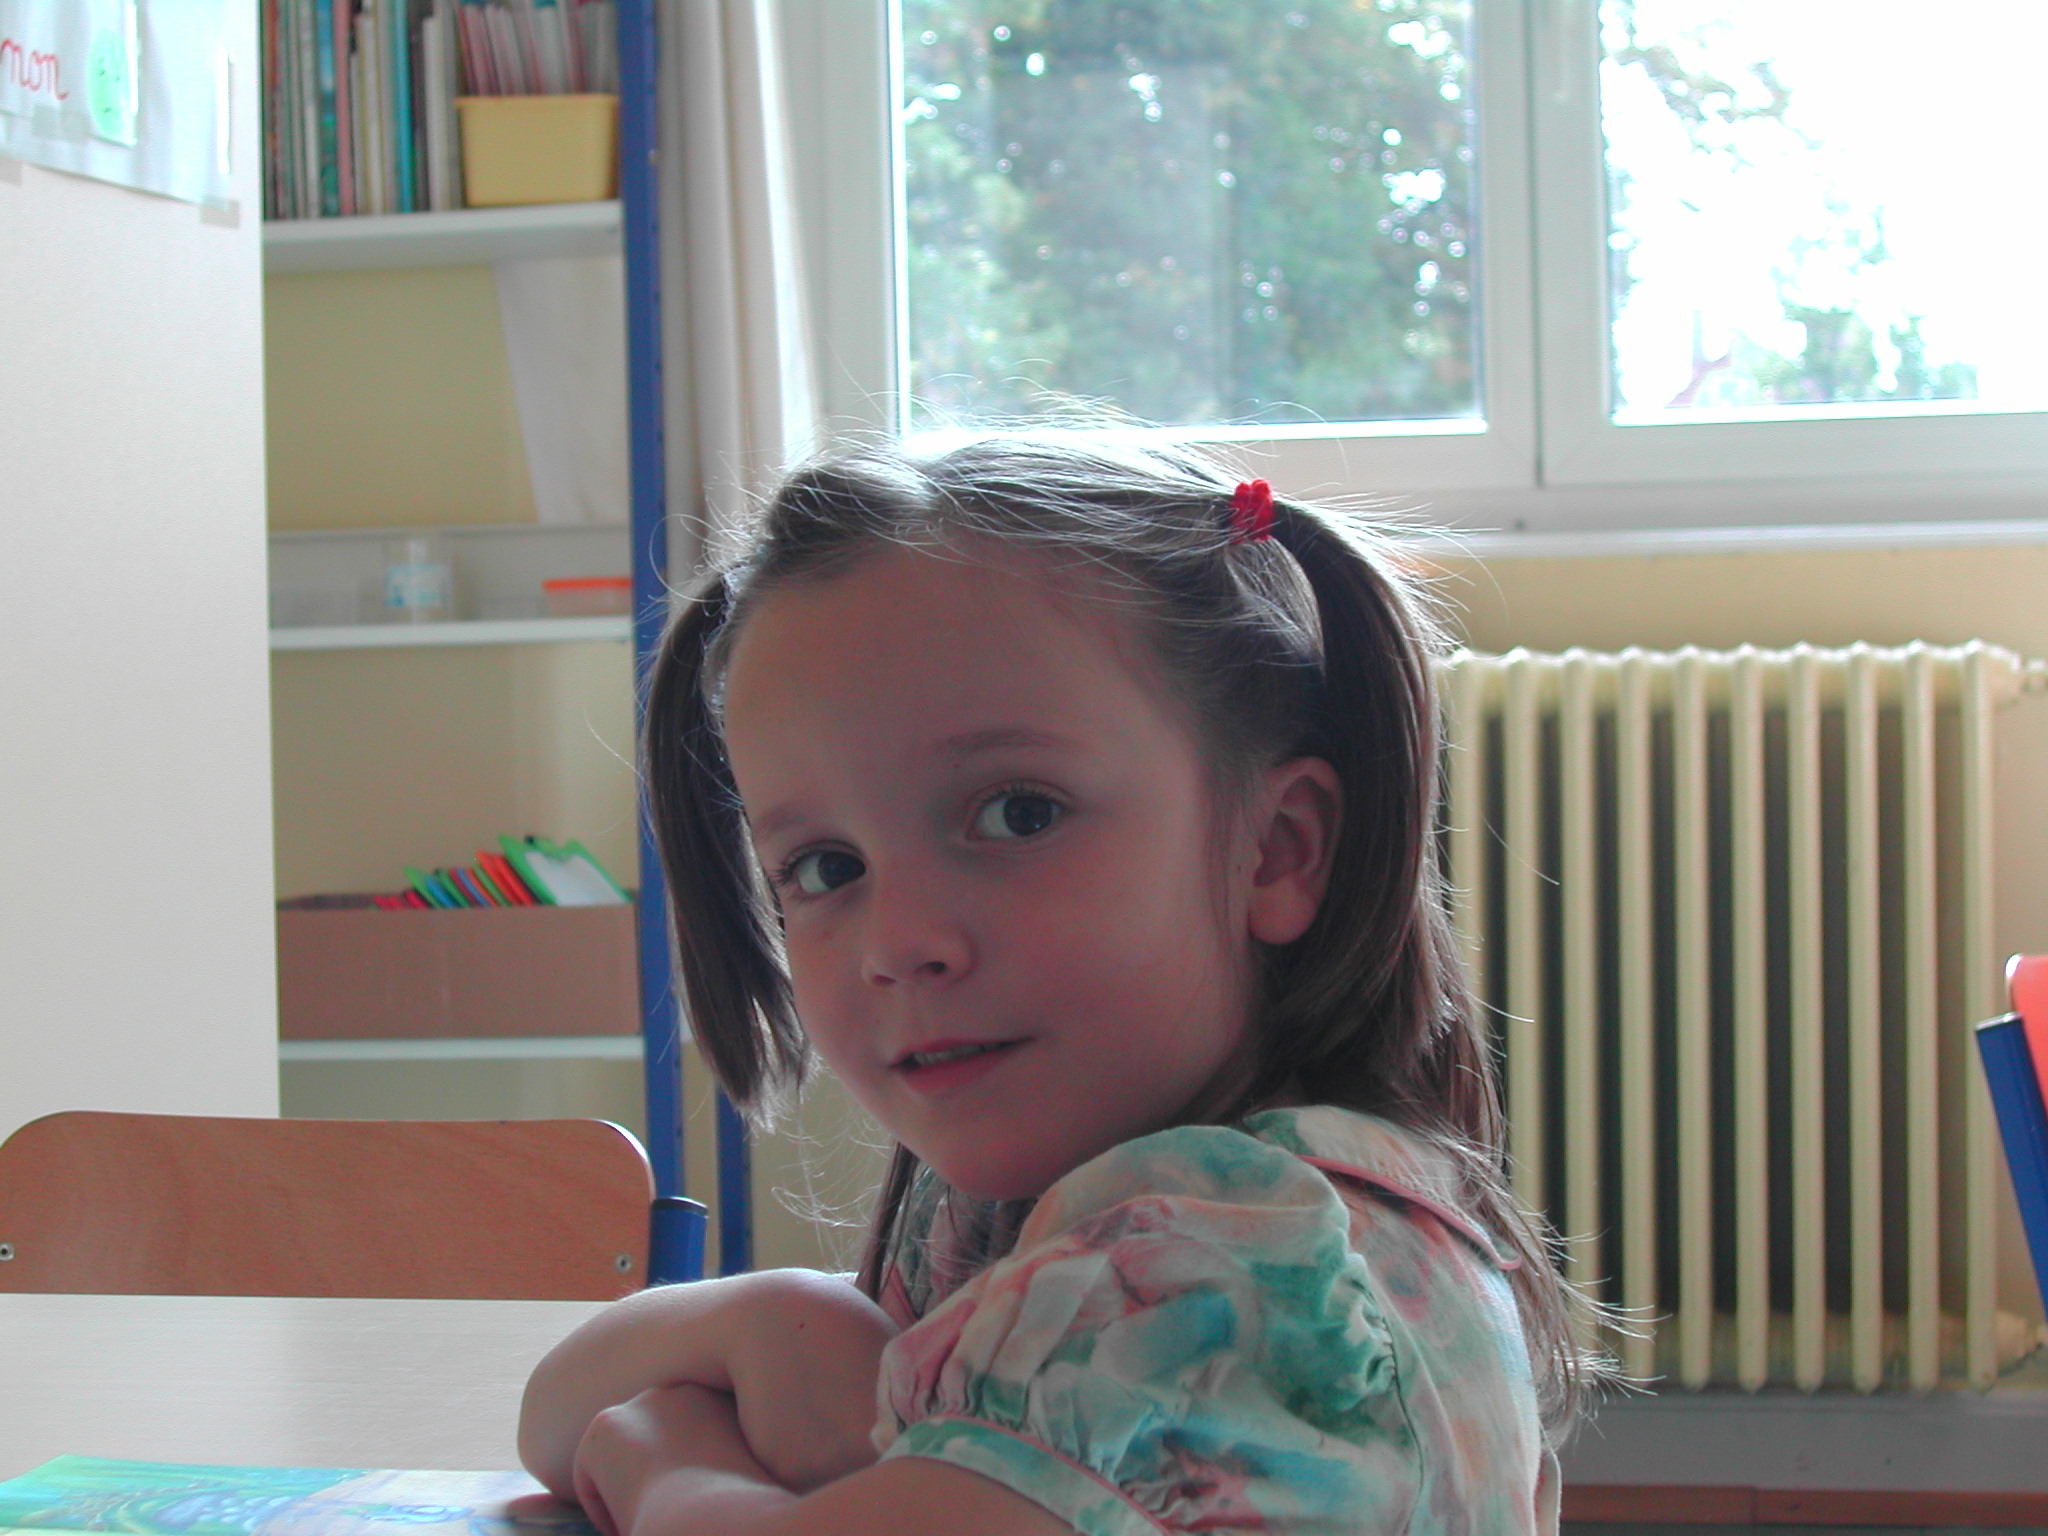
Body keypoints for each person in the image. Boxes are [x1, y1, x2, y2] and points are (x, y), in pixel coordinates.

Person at [517, 435, 1599, 1536]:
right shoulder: (1028, 1193)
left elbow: (598, 1434)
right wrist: (769, 1315)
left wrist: (665, 1468)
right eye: (826, 869)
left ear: (1275, 848)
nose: (900, 942)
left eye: (1016, 814)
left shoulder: (1234, 1267)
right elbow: (549, 1412)